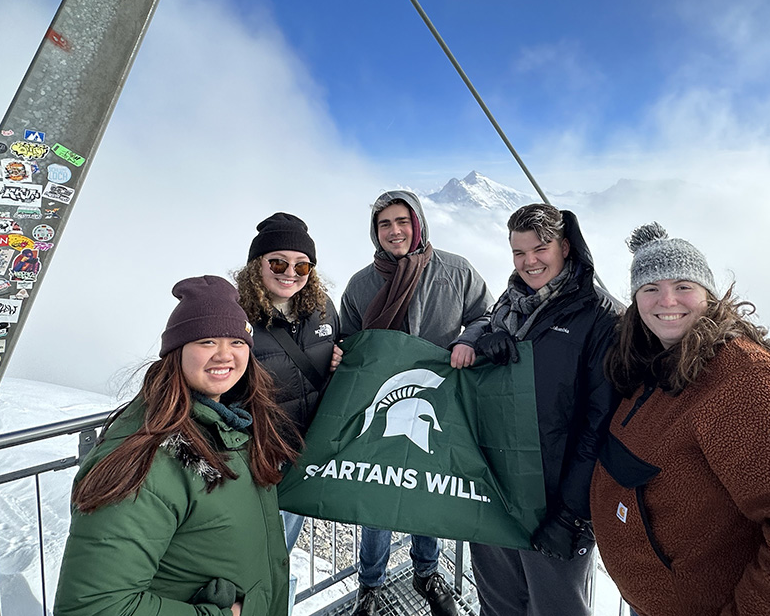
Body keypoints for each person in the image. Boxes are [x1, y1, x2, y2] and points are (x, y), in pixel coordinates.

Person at [589, 223, 770, 616]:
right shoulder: (654, 360)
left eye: (683, 286)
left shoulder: (748, 383)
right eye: (650, 289)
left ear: (708, 294)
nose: (666, 300)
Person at [54, 275, 297, 616]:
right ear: (176, 352)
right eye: (207, 342)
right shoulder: (147, 458)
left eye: (237, 342)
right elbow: (93, 608)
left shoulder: (232, 425)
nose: (224, 355)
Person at [340, 189, 493, 616]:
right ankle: (370, 585)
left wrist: (466, 340)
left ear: (418, 223)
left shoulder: (455, 270)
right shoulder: (361, 284)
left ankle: (426, 572)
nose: (395, 231)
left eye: (402, 222)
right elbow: (348, 340)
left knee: (427, 487)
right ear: (375, 232)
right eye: (385, 224)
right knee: (377, 494)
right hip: (383, 401)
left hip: (436, 399)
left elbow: (486, 314)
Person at [467, 203, 621, 616]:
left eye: (540, 249)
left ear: (565, 247)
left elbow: (600, 423)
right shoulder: (511, 303)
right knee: (498, 606)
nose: (529, 262)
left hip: (554, 505)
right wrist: (484, 338)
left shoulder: (601, 317)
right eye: (519, 253)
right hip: (496, 493)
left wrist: (571, 517)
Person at [234, 212, 342, 551]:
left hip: (303, 454)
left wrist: (340, 358)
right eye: (278, 264)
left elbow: (334, 352)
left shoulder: (322, 309)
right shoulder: (238, 318)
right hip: (258, 456)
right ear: (257, 265)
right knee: (254, 549)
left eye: (302, 266)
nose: (291, 274)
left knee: (280, 550)